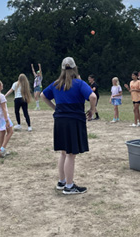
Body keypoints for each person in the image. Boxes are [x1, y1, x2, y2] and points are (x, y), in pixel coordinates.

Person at [41, 57, 97, 195]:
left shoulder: (56, 84)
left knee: (64, 152)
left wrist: (55, 108)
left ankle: (62, 181)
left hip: (60, 120)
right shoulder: (79, 83)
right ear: (75, 68)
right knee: (71, 154)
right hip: (74, 120)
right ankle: (69, 186)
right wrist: (92, 110)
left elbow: (43, 95)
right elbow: (93, 97)